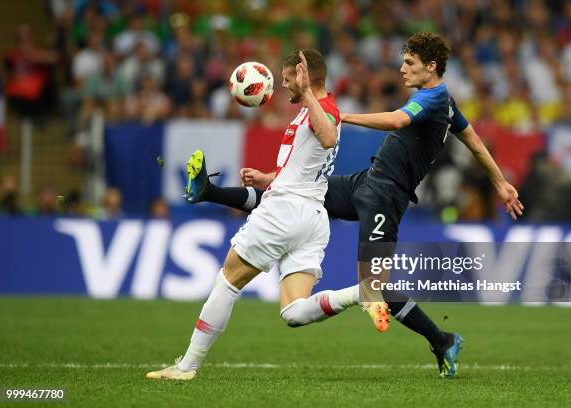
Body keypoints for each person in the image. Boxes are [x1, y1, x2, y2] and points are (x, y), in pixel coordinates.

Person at [188, 32, 524, 378]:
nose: (402, 68)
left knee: (373, 284)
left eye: (410, 62)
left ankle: (442, 340)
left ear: (431, 67)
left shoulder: (435, 99)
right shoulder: (445, 103)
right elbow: (474, 141)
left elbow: (397, 120)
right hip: (366, 182)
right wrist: (500, 183)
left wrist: (341, 116)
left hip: (387, 196)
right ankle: (207, 191)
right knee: (294, 189)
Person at [146, 50, 387, 381]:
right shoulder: (310, 113)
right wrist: (266, 177)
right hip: (313, 217)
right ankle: (361, 292)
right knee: (294, 312)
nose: (284, 85)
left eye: (288, 78)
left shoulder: (323, 109)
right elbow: (307, 165)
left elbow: (329, 136)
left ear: (306, 77)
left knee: (227, 281)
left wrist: (305, 95)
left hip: (284, 212)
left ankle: (187, 366)